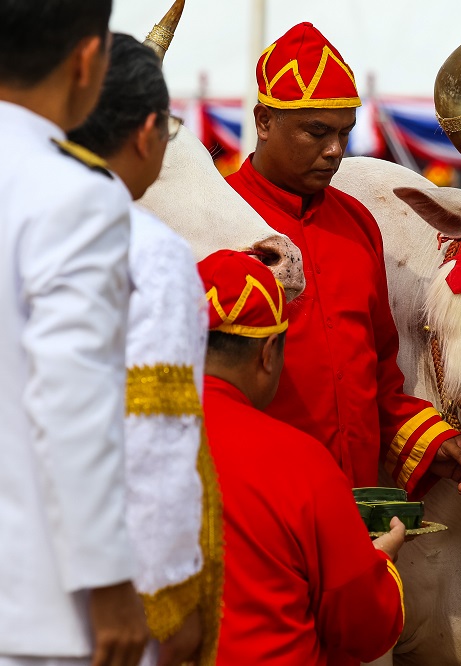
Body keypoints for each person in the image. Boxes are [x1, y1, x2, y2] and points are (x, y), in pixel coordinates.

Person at [226, 22, 461, 496]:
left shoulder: (359, 223)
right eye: (317, 131)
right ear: (264, 121)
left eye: (344, 133)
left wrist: (431, 441)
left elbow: (380, 374)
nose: (334, 152)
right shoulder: (219, 220)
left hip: (355, 500)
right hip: (255, 497)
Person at [0, 1, 149, 664]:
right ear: (88, 61)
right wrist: (109, 578)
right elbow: (71, 397)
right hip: (36, 607)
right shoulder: (76, 196)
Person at [67, 32, 222, 665]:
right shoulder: (147, 253)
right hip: (106, 607)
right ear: (148, 131)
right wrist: (166, 598)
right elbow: (153, 441)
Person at [198, 249, 405, 665]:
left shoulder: (112, 437)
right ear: (269, 351)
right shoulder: (301, 462)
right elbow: (363, 627)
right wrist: (383, 563)